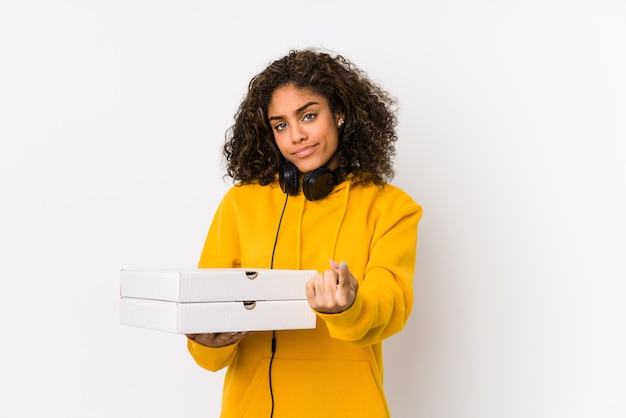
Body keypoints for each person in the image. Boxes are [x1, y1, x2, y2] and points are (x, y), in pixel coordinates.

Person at [186, 48, 422, 418]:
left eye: (308, 116)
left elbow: (391, 304)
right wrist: (206, 341)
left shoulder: (391, 207)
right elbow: (207, 337)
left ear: (340, 114)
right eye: (281, 125)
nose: (296, 136)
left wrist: (350, 306)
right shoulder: (240, 204)